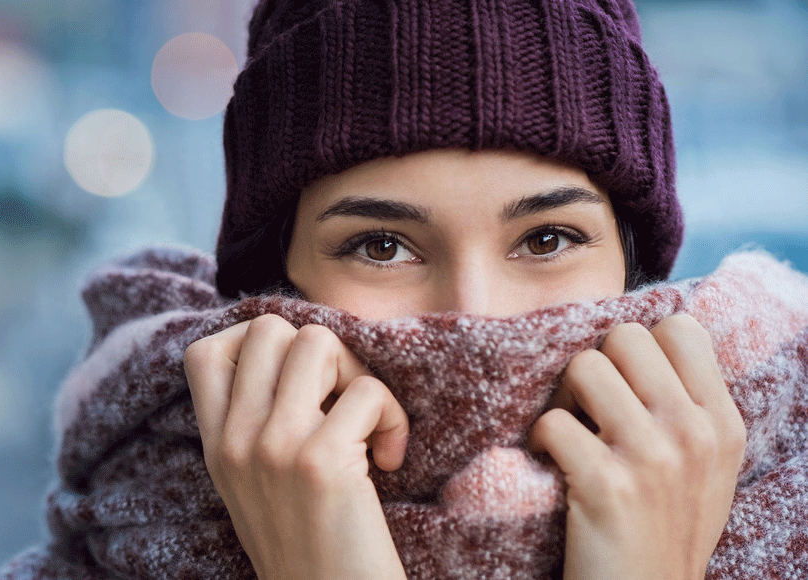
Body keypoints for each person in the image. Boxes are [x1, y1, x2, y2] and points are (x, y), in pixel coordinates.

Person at [181, 0, 745, 579]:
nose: (475, 318)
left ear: (632, 267)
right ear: (275, 284)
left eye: (547, 240)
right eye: (382, 247)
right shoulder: (108, 517)